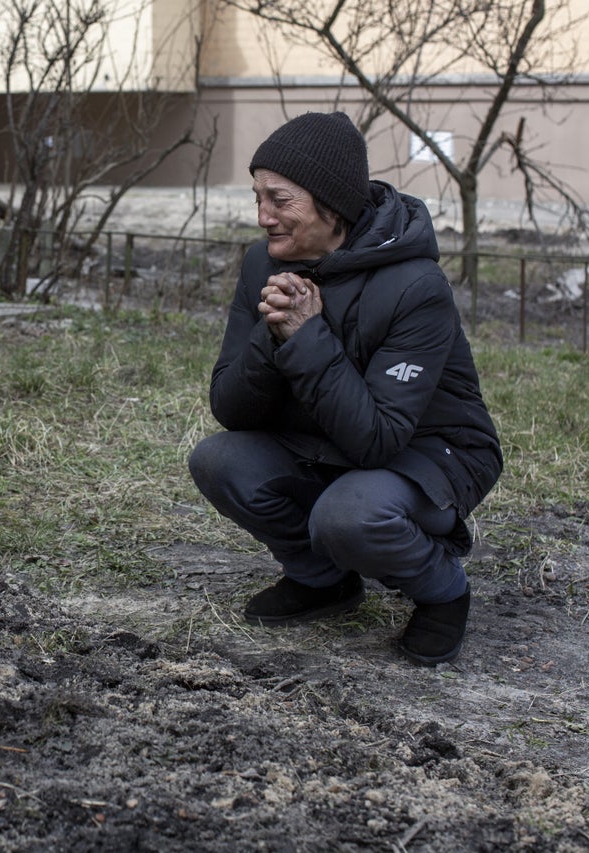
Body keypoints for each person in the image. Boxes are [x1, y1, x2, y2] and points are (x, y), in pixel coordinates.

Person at [188, 111, 502, 666]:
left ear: (331, 205)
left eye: (280, 200)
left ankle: (442, 589)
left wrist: (306, 336)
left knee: (348, 516)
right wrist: (273, 334)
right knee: (219, 460)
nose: (263, 217)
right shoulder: (263, 264)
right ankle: (323, 581)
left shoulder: (415, 284)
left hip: (429, 454)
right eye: (257, 197)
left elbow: (376, 441)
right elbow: (229, 408)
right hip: (324, 442)